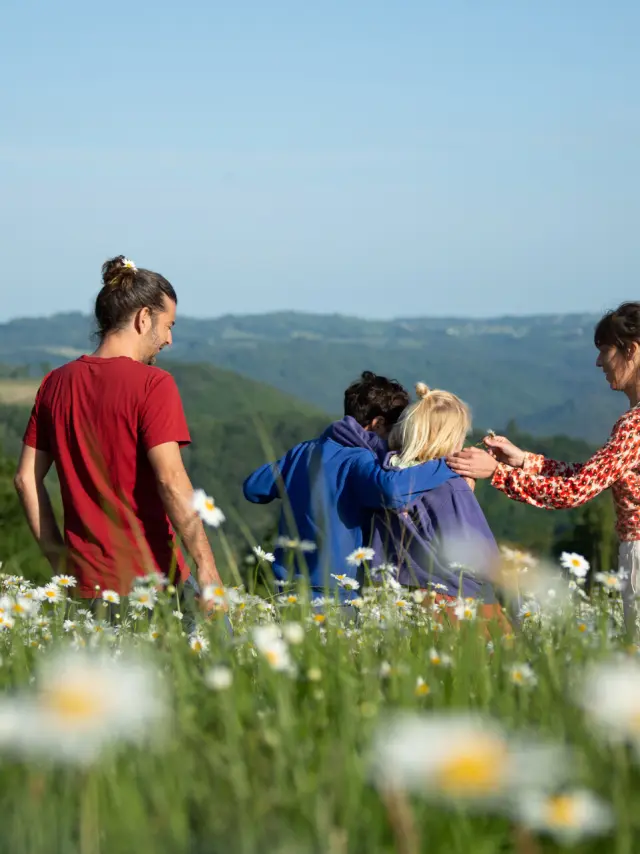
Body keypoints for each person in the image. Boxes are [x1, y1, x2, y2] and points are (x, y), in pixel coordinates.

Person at [14, 255, 222, 622]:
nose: (169, 339)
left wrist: (58, 559)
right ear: (144, 318)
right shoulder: (153, 385)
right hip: (153, 585)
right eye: (168, 325)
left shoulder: (54, 383)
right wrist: (207, 571)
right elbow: (171, 481)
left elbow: (25, 479)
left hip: (84, 587)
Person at [447, 302, 640, 630]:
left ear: (631, 350)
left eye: (604, 351)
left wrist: (498, 473)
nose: (598, 362)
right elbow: (590, 475)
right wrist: (525, 462)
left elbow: (576, 490)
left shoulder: (633, 426)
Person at [243, 371, 457, 598]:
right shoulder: (359, 460)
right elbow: (391, 489)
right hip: (334, 593)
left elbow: (254, 488)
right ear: (378, 423)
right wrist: (447, 464)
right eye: (397, 429)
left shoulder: (303, 451)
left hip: (284, 588)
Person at [372, 383, 507, 629]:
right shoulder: (452, 488)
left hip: (399, 597)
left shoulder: (385, 475)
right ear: (449, 438)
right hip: (456, 601)